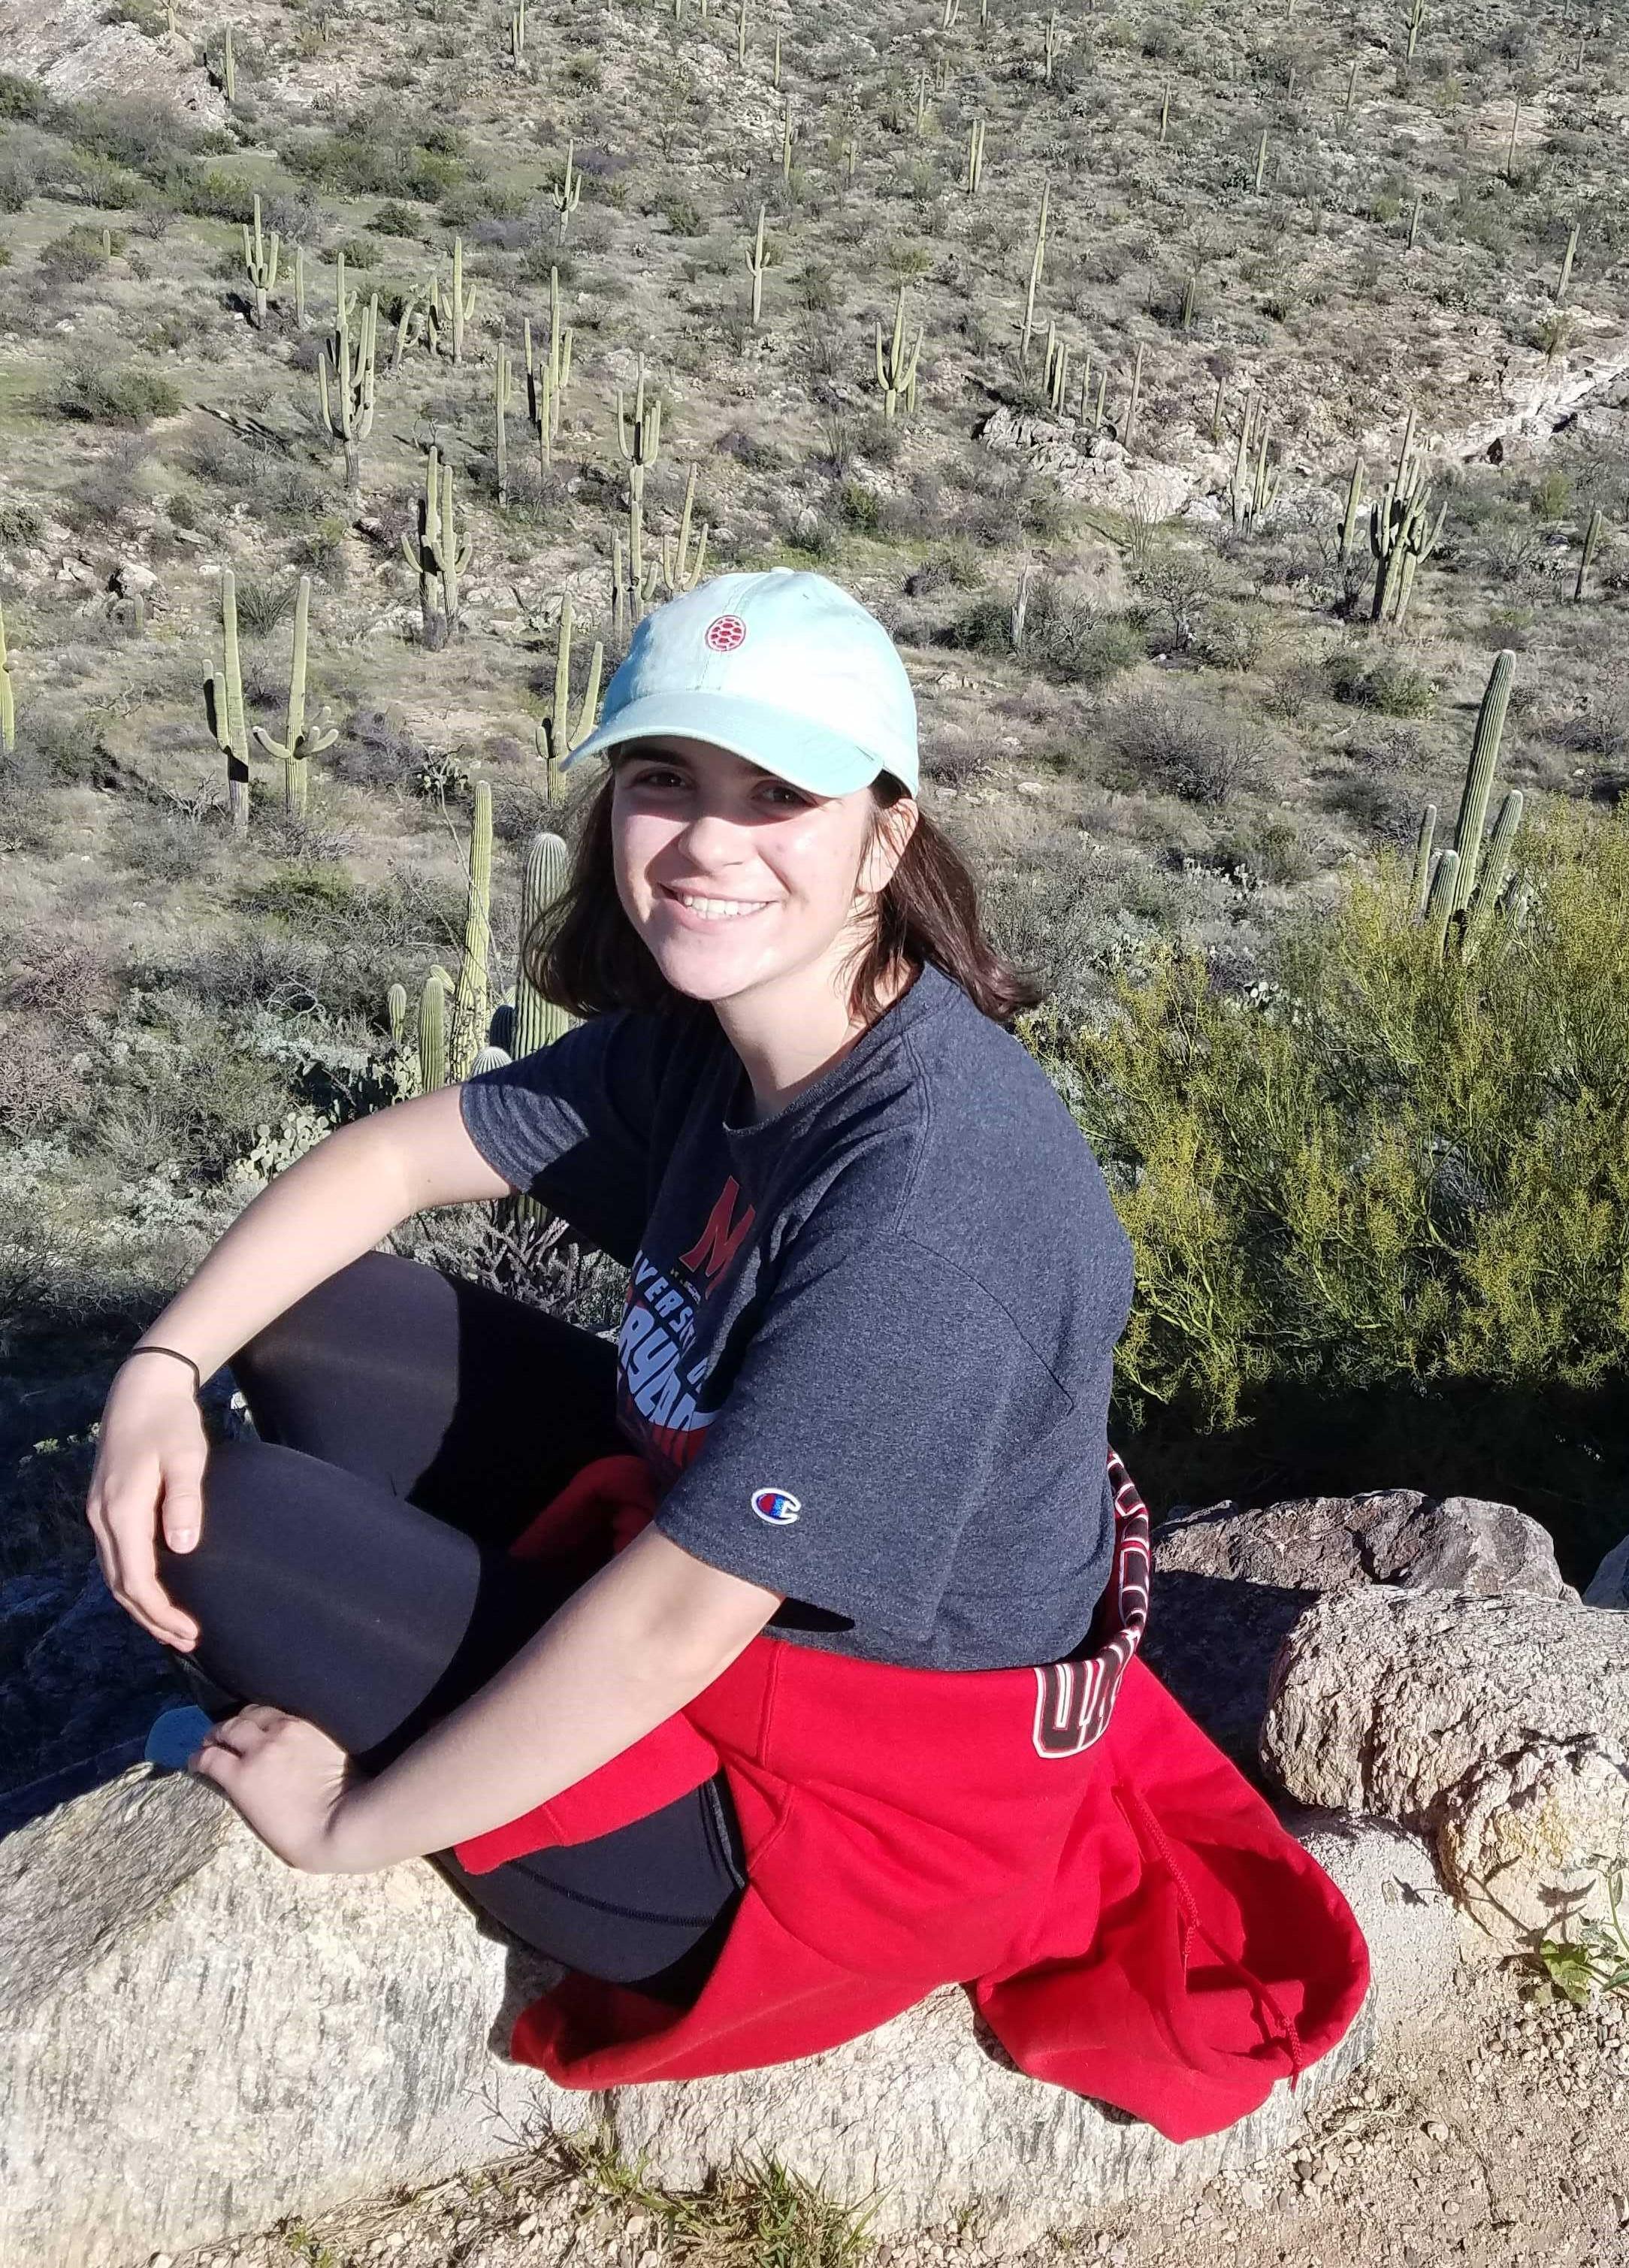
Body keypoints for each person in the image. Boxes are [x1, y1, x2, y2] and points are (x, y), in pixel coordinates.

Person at [83, 568, 1368, 2140]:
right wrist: (158, 1368)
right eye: (662, 779)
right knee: (293, 1323)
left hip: (827, 1820)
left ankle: (407, 1713)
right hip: (716, 1596)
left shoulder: (930, 1207)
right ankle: (398, 1629)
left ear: (887, 837)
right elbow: (400, 1160)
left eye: (779, 796)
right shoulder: (720, 1039)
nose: (704, 842)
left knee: (243, 1526)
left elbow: (680, 1618)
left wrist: (352, 1825)